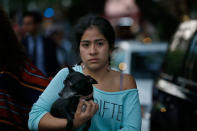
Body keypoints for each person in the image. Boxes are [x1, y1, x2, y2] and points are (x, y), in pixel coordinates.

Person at [28, 14, 142, 131]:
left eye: (100, 43)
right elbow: (34, 119)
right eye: (86, 45)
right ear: (79, 49)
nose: (92, 51)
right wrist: (71, 123)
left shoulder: (125, 82)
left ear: (111, 47)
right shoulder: (67, 75)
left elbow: (132, 128)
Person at [0, 6, 51, 131]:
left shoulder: (48, 42)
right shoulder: (23, 42)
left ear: (37, 25)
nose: (26, 27)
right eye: (25, 24)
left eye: (29, 23)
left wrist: (53, 85)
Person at [21, 11, 60, 77]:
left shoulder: (49, 42)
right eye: (24, 23)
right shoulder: (22, 43)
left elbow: (54, 64)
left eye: (28, 24)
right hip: (27, 81)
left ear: (37, 24)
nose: (24, 26)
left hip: (46, 79)